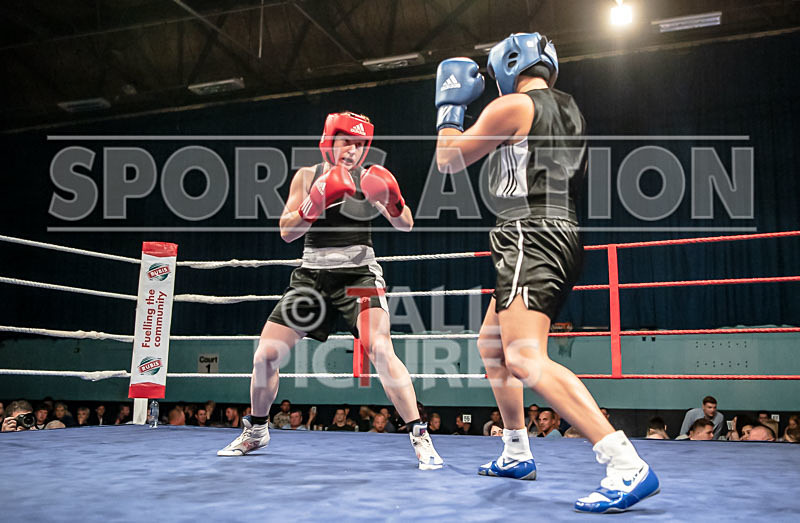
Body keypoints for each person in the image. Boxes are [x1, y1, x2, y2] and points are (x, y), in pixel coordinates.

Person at [434, 33, 659, 512]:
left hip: (528, 234)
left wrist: (450, 106)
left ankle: (624, 462)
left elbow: (448, 159)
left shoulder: (513, 105)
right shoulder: (572, 108)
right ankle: (516, 449)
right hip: (560, 231)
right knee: (492, 345)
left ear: (506, 67)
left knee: (523, 358)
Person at [219, 112, 443, 469]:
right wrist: (315, 202)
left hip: (359, 278)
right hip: (312, 278)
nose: (352, 150)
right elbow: (286, 231)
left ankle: (420, 436)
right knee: (265, 356)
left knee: (380, 348)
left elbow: (406, 224)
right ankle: (257, 430)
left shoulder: (371, 179)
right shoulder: (307, 176)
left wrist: (394, 198)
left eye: (359, 144)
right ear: (330, 141)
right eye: (345, 142)